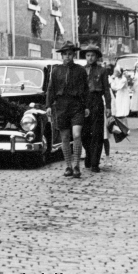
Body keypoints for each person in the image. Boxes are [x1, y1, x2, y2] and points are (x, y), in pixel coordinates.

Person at [45, 41, 88, 178]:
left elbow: (86, 89)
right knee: (64, 137)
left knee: (76, 134)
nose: (67, 57)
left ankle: (76, 165)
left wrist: (86, 106)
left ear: (73, 55)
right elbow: (50, 89)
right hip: (61, 106)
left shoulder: (80, 70)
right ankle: (68, 166)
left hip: (76, 105)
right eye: (65, 54)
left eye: (70, 54)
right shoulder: (56, 70)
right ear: (62, 56)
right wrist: (48, 106)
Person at [80, 43, 110, 173]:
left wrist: (108, 106)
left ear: (97, 57)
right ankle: (88, 153)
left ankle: (95, 162)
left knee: (97, 134)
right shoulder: (81, 70)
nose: (90, 58)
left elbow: (106, 90)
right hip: (83, 103)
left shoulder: (102, 71)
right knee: (84, 133)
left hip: (96, 101)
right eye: (88, 55)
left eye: (93, 55)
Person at [107, 66, 130, 158]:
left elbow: (117, 87)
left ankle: (126, 128)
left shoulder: (123, 79)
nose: (115, 73)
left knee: (123, 112)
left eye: (116, 72)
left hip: (124, 95)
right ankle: (122, 128)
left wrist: (112, 81)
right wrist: (112, 79)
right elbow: (112, 86)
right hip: (119, 96)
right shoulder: (115, 78)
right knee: (119, 112)